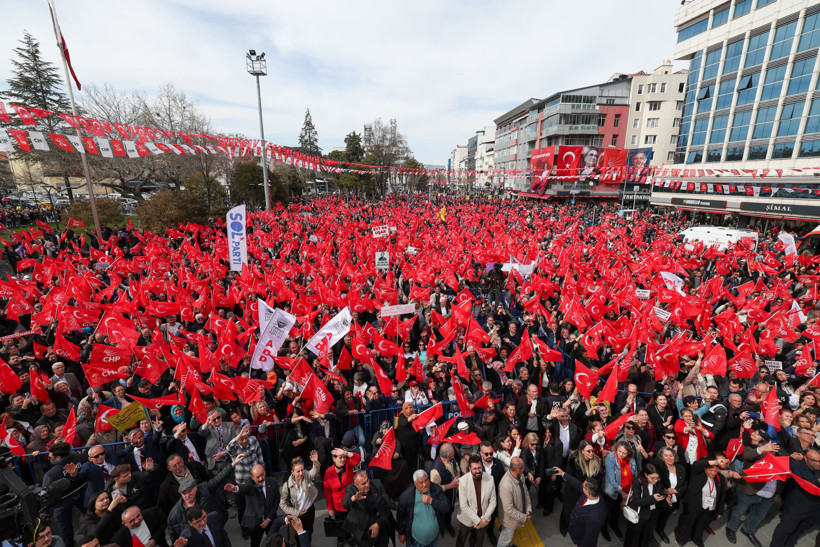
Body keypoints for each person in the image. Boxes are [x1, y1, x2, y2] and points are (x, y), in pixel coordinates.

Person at [725, 428, 781, 547]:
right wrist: (762, 449)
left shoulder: (779, 459)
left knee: (758, 516)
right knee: (738, 511)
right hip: (749, 492)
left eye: (773, 450)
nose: (771, 453)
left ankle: (748, 530)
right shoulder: (753, 454)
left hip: (769, 497)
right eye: (767, 450)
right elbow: (748, 455)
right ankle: (731, 528)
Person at [769, 447, 820, 547]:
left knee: (797, 534)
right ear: (805, 458)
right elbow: (806, 483)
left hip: (813, 513)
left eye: (819, 461)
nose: (818, 463)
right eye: (814, 460)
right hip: (794, 510)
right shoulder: (796, 465)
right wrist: (817, 482)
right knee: (784, 531)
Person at [673, 457, 728, 547]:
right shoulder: (698, 473)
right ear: (705, 468)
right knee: (688, 522)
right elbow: (696, 464)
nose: (713, 473)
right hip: (694, 505)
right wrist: (717, 461)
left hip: (709, 507)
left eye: (715, 470)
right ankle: (681, 538)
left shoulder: (720, 478)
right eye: (711, 470)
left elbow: (722, 495)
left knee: (701, 524)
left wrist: (720, 510)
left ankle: (697, 538)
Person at [554, 467, 607, 547]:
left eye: (583, 486)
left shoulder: (595, 517)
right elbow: (578, 484)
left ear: (588, 492)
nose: (581, 486)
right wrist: (563, 474)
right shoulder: (594, 494)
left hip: (580, 540)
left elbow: (590, 538)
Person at [559, 440, 602, 537]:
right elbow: (569, 477)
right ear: (582, 451)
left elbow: (598, 477)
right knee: (568, 510)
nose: (591, 453)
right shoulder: (574, 461)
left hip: (586, 493)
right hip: (573, 491)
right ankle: (564, 527)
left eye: (592, 450)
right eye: (588, 451)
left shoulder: (596, 461)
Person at [396, 469, 449, 547]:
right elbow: (400, 516)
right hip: (415, 542)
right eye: (421, 482)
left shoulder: (436, 489)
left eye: (426, 480)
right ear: (415, 484)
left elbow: (446, 507)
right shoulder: (406, 496)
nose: (425, 484)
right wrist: (401, 533)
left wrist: (432, 501)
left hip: (434, 540)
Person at [232, 464, 280, 547]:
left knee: (274, 542)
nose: (261, 478)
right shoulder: (249, 484)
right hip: (255, 524)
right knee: (255, 543)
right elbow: (244, 488)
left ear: (265, 472)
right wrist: (235, 488)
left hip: (270, 519)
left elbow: (276, 502)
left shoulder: (273, 482)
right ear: (252, 477)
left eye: (262, 475)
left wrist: (268, 519)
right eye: (257, 477)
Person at [341, 470, 393, 547]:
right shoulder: (351, 489)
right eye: (363, 484)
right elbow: (345, 505)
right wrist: (353, 499)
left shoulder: (377, 484)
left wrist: (377, 524)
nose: (367, 484)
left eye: (367, 480)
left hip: (380, 526)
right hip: (362, 531)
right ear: (356, 485)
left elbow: (387, 506)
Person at [455, 454, 496, 547]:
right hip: (466, 519)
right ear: (470, 469)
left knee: (478, 543)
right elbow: (463, 505)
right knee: (461, 541)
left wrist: (483, 519)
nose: (478, 471)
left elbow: (493, 502)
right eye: (475, 469)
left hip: (484, 519)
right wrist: (478, 521)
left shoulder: (490, 479)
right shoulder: (463, 481)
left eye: (479, 468)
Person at [279, 452, 321, 538]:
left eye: (302, 470)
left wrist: (315, 462)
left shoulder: (306, 475)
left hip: (309, 511)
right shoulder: (286, 486)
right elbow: (282, 504)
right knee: (299, 536)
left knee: (309, 531)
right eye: (298, 471)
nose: (301, 473)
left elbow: (314, 472)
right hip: (297, 515)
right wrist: (297, 513)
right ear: (292, 472)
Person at [623, 462, 665, 547]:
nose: (656, 480)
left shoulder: (658, 482)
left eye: (657, 478)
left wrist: (665, 497)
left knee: (645, 536)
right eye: (653, 478)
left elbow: (660, 492)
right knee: (635, 536)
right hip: (639, 515)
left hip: (651, 514)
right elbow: (637, 501)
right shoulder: (637, 481)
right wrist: (652, 498)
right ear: (646, 474)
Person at [603, 440, 637, 541]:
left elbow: (635, 476)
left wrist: (632, 491)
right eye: (619, 451)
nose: (621, 454)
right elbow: (611, 480)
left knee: (617, 511)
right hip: (612, 491)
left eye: (624, 453)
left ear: (629, 453)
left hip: (626, 492)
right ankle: (603, 529)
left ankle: (614, 525)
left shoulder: (632, 460)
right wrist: (623, 493)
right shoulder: (611, 458)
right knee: (606, 511)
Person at [655, 446, 687, 544]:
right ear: (662, 457)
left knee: (664, 518)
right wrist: (665, 497)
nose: (669, 458)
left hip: (673, 501)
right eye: (666, 456)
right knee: (653, 517)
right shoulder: (659, 468)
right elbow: (655, 485)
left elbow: (685, 484)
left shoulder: (681, 468)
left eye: (671, 455)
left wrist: (676, 491)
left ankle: (660, 530)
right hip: (660, 500)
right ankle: (649, 536)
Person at [497, 457, 531, 547]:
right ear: (518, 469)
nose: (524, 469)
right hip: (510, 520)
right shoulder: (506, 485)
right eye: (523, 468)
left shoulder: (520, 475)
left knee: (508, 536)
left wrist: (528, 508)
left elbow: (525, 492)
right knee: (505, 538)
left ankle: (510, 544)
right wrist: (524, 517)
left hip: (517, 517)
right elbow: (509, 510)